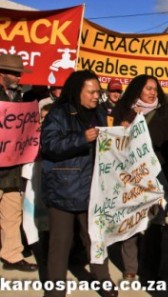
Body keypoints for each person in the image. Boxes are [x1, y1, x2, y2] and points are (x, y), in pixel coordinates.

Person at [40, 70, 116, 297]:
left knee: (96, 240)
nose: (96, 96)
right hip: (64, 189)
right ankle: (55, 291)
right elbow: (50, 146)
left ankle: (104, 281)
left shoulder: (99, 113)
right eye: (91, 92)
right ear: (77, 92)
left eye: (98, 92)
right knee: (60, 245)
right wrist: (81, 138)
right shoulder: (58, 113)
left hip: (93, 189)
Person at [111, 74, 168, 283]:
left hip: (156, 176)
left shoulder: (165, 112)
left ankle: (150, 270)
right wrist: (129, 121)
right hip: (130, 175)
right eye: (148, 88)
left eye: (155, 89)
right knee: (130, 220)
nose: (152, 93)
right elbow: (115, 141)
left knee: (154, 223)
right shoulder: (123, 108)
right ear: (138, 89)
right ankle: (130, 267)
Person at [0, 54, 38, 273]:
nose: (18, 78)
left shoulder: (18, 97)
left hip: (11, 169)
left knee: (12, 212)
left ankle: (12, 255)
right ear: (1, 73)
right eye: (14, 74)